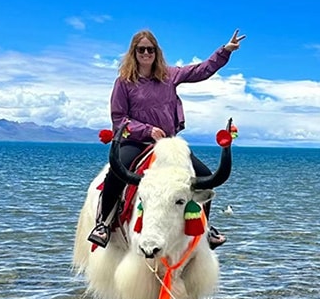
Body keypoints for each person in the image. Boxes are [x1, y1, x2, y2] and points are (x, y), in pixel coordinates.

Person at [88, 28, 246, 249]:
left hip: (169, 145)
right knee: (117, 171)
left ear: (156, 52)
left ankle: (205, 229)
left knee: (205, 175)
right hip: (136, 142)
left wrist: (225, 51)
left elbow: (200, 70)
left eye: (150, 49)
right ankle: (103, 224)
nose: (146, 53)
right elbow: (119, 119)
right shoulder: (124, 82)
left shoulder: (169, 75)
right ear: (134, 52)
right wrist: (147, 131)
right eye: (141, 49)